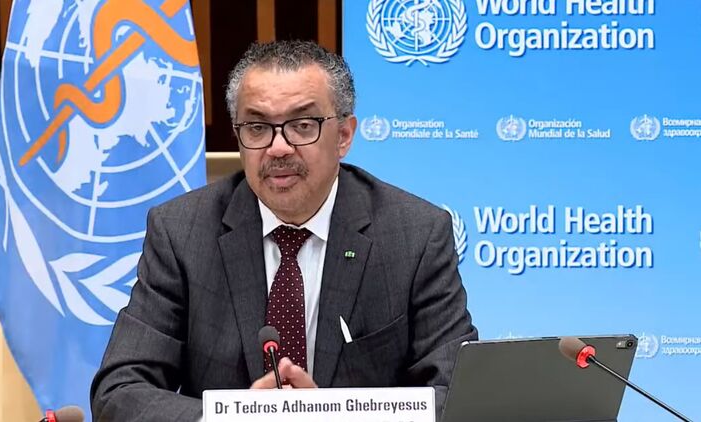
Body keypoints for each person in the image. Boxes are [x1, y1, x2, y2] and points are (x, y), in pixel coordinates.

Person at [91, 40, 477, 421]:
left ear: (344, 136)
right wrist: (237, 418)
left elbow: (458, 396)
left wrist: (327, 416)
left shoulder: (414, 235)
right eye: (257, 127)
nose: (278, 148)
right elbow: (119, 392)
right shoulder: (182, 233)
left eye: (302, 125)